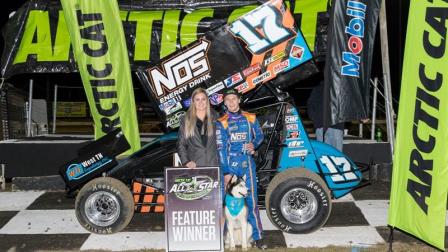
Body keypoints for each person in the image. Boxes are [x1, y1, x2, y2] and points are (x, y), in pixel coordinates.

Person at [216, 89, 267, 250]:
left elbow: (259, 136)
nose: (231, 102)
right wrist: (225, 171)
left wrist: (254, 144)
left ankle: (258, 237)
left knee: (251, 202)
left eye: (234, 99)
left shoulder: (250, 117)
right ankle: (222, 239)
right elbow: (220, 148)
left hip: (247, 165)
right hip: (230, 167)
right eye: (228, 100)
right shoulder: (221, 121)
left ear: (239, 100)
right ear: (224, 103)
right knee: (225, 204)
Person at [177, 88, 219, 168]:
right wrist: (186, 161)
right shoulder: (185, 119)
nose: (200, 102)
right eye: (197, 99)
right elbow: (181, 144)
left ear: (207, 101)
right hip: (195, 166)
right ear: (193, 102)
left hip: (215, 165)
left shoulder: (216, 117)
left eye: (203, 99)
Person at [307, 81, 344, 151]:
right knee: (337, 155)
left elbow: (310, 105)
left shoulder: (317, 89)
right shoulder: (339, 88)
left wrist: (315, 119)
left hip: (325, 125)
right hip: (334, 125)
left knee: (323, 154)